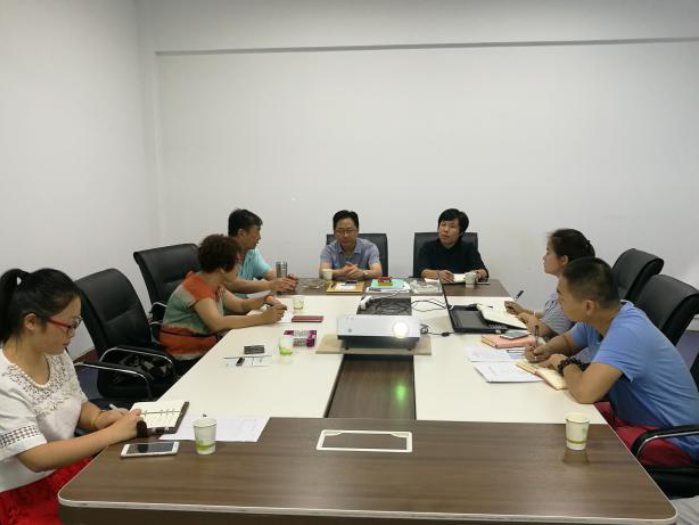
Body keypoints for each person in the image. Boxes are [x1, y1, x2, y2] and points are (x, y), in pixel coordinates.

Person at [0, 268, 142, 525]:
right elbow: (37, 458)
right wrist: (112, 434)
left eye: (77, 323)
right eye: (69, 325)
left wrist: (99, 418)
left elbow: (77, 404)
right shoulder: (4, 380)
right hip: (25, 492)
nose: (73, 334)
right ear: (31, 322)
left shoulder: (54, 353)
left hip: (67, 468)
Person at [526, 257, 699, 466]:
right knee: (560, 422)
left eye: (562, 295)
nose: (558, 300)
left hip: (673, 439)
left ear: (588, 306)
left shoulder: (627, 332)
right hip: (632, 418)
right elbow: (569, 342)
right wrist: (546, 350)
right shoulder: (601, 316)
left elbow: (585, 392)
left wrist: (562, 363)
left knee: (578, 445)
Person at [160, 235, 286, 367]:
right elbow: (217, 324)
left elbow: (240, 305)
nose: (239, 267)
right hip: (187, 358)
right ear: (223, 267)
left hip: (207, 349)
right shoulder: (197, 288)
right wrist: (263, 318)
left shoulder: (213, 283)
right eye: (237, 262)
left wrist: (265, 299)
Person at [505, 229, 595, 338]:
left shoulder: (571, 294)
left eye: (548, 253)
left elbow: (542, 330)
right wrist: (525, 311)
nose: (544, 257)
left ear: (563, 260)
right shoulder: (566, 287)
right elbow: (550, 316)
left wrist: (526, 316)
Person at [227, 209, 298, 295]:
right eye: (257, 231)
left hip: (243, 303)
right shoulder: (221, 252)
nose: (259, 237)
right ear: (241, 233)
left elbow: (268, 273)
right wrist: (270, 285)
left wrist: (285, 280)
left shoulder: (252, 253)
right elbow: (231, 284)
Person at [416, 208, 488, 282]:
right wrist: (438, 274)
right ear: (438, 228)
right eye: (443, 225)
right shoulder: (427, 247)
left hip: (462, 288)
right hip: (434, 288)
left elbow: (484, 272)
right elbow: (421, 271)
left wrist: (476, 273)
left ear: (461, 232)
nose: (446, 229)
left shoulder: (468, 248)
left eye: (452, 226)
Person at [319, 210, 382, 281]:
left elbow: (378, 272)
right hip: (336, 287)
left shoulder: (370, 247)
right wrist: (341, 272)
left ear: (357, 231)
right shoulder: (329, 250)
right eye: (340, 231)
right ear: (334, 232)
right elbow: (322, 273)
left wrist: (362, 273)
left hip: (363, 287)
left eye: (350, 230)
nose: (345, 235)